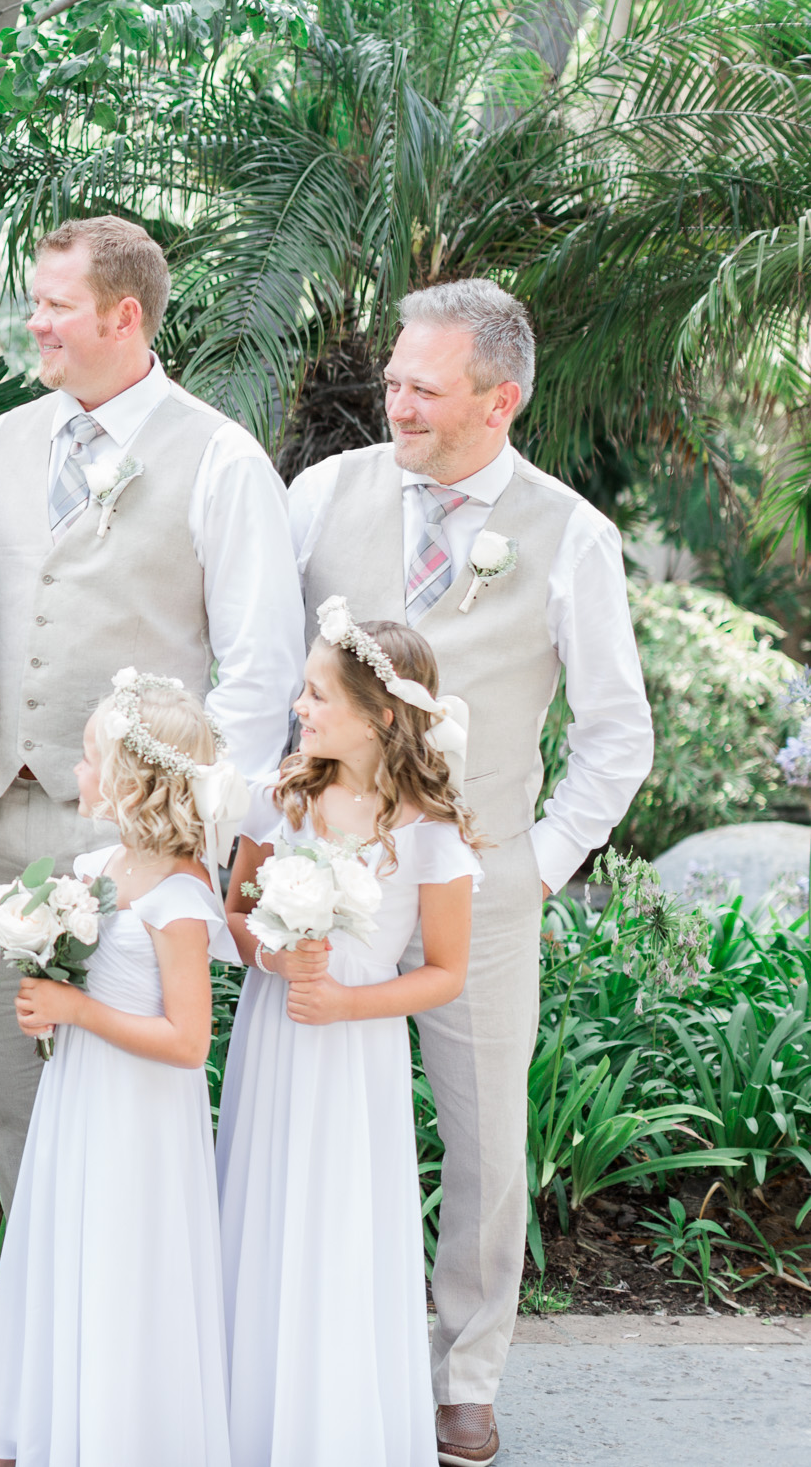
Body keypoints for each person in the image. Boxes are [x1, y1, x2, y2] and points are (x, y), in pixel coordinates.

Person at [0, 216, 302, 1422]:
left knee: (125, 1106)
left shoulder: (221, 459)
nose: (33, 322)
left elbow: (257, 672)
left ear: (125, 317)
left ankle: (129, 1372)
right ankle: (43, 1362)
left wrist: (192, 837)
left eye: (53, 305)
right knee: (9, 1090)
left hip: (128, 851)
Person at [290, 278, 653, 1464]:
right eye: (392, 380)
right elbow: (257, 677)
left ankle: (466, 1372)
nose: (392, 401)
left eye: (421, 388)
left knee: (487, 1140)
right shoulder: (320, 498)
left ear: (499, 399)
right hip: (325, 874)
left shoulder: (571, 534)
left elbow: (616, 733)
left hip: (483, 882)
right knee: (312, 1116)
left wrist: (540, 867)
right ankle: (321, 1348)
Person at [219, 606, 482, 1466]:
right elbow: (232, 915)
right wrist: (270, 959)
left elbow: (444, 971)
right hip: (276, 1036)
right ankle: (247, 1413)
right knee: (263, 1205)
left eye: (317, 694)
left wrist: (343, 1004)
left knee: (339, 1221)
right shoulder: (281, 797)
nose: (300, 706)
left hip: (356, 1047)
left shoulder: (429, 833)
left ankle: (335, 1421)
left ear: (383, 715)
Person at [0, 674, 237, 1467]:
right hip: (81, 1097)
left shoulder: (181, 898)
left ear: (136, 781)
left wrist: (77, 1012)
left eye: (88, 759)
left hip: (139, 1117)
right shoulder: (101, 863)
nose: (75, 773)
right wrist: (48, 996)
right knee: (63, 1249)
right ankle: (28, 1429)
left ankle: (114, 1437)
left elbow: (188, 1042)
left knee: (123, 1261)